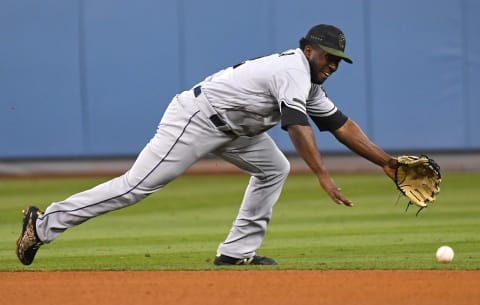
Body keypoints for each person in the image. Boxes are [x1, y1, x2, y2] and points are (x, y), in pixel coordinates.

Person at [17, 24, 398, 266]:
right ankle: (44, 223)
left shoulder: (311, 83)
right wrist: (323, 175)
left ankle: (235, 253)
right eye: (329, 57)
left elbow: (340, 125)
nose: (333, 65)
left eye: (339, 61)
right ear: (310, 49)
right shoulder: (292, 69)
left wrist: (387, 163)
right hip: (196, 119)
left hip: (237, 131)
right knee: (136, 186)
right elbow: (296, 125)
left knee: (274, 168)